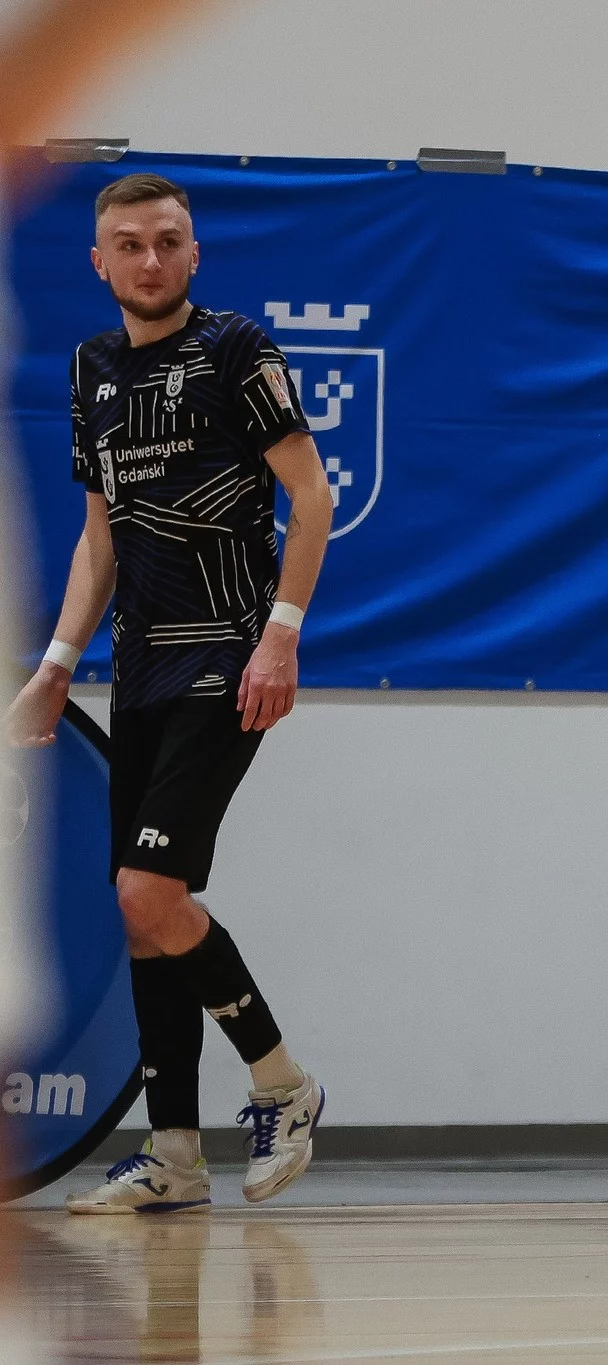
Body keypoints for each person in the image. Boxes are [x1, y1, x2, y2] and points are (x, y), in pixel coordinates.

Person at [5, 173, 334, 1213]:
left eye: (168, 241)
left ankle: (282, 1082)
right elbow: (99, 538)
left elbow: (312, 495)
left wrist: (279, 637)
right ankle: (175, 1154)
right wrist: (56, 666)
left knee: (148, 892)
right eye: (129, 244)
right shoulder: (91, 367)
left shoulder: (236, 349)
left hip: (226, 656)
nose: (150, 260)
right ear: (98, 261)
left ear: (195, 252)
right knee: (144, 915)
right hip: (139, 667)